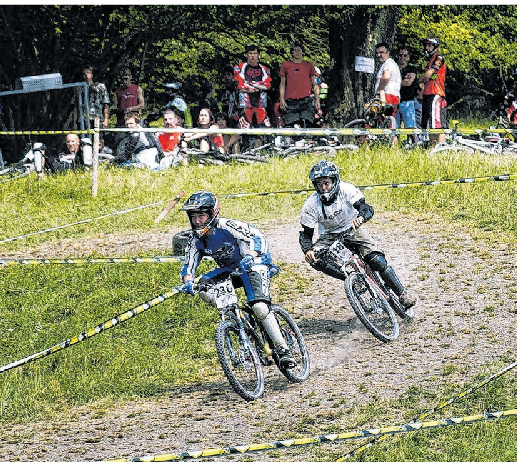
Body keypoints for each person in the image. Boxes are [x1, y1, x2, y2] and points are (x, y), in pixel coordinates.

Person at [179, 190, 296, 369]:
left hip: (254, 263)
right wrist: (188, 281)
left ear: (212, 214)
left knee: (259, 306)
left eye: (201, 216)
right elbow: (189, 264)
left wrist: (251, 254)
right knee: (202, 287)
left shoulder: (227, 225)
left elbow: (256, 236)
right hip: (230, 270)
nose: (197, 221)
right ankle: (239, 323)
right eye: (193, 217)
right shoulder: (194, 239)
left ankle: (283, 348)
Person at [298, 160, 417, 313]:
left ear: (334, 181)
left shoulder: (346, 189)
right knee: (316, 261)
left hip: (352, 227)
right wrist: (307, 249)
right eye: (319, 184)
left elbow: (366, 208)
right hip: (329, 235)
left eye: (326, 183)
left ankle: (402, 293)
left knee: (376, 260)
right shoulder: (310, 205)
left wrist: (361, 217)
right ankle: (352, 279)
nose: (323, 188)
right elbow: (306, 234)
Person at [233, 44, 272, 150]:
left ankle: (260, 151)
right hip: (245, 104)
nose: (253, 56)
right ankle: (243, 151)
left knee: (261, 130)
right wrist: (257, 86)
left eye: (255, 53)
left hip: (260, 105)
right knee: (244, 129)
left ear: (258, 55)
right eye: (250, 53)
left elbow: (267, 85)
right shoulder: (240, 67)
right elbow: (239, 85)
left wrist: (250, 84)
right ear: (247, 55)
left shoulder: (264, 69)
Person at [278, 42, 320, 128]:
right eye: (294, 50)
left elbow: (315, 84)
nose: (297, 52)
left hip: (306, 100)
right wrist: (281, 99)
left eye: (299, 50)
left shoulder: (308, 65)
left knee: (307, 124)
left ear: (302, 51)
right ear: (292, 52)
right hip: (291, 101)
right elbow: (282, 84)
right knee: (292, 125)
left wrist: (317, 100)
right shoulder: (286, 65)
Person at [418, 37, 447, 146]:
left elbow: (428, 74)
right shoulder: (429, 60)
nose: (427, 47)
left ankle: (441, 146)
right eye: (426, 45)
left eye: (430, 45)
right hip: (427, 93)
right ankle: (432, 146)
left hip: (436, 93)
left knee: (437, 123)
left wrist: (421, 78)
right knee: (429, 123)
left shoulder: (438, 58)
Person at [73, 65, 110, 130]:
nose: (86, 75)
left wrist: (106, 120)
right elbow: (75, 106)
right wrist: (74, 122)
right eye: (84, 73)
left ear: (92, 74)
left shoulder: (100, 86)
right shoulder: (78, 88)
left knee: (98, 138)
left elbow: (106, 104)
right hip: (83, 119)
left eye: (87, 72)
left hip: (97, 117)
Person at [396, 46, 420, 146]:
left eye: (405, 55)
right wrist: (401, 82)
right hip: (395, 101)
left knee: (410, 127)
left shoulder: (412, 68)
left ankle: (417, 145)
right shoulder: (394, 68)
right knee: (394, 128)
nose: (402, 57)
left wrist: (396, 82)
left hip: (407, 101)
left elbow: (408, 83)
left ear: (408, 57)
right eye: (400, 55)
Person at [374, 43, 401, 117]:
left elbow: (386, 77)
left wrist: (378, 92)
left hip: (387, 96)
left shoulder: (388, 63)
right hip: (390, 96)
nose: (379, 55)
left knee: (383, 119)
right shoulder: (389, 63)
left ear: (388, 53)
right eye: (377, 53)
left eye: (381, 52)